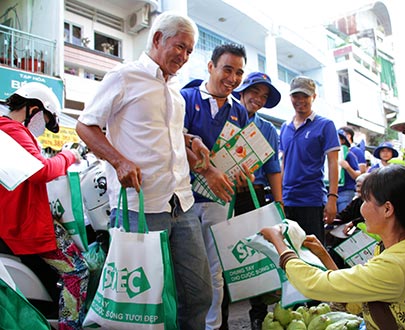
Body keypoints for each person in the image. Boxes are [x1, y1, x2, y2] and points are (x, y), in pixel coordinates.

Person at [75, 12, 213, 329]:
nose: (184, 56)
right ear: (156, 39)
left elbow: (162, 133)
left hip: (182, 202)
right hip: (140, 206)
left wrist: (191, 140)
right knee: (144, 305)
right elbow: (86, 125)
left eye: (190, 51)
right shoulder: (124, 76)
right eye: (180, 47)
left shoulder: (174, 89)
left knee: (197, 294)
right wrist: (119, 160)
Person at [261, 165, 405, 329]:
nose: (361, 208)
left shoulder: (398, 264)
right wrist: (323, 255)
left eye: (366, 200)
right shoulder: (400, 251)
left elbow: (315, 284)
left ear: (387, 209)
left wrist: (280, 242)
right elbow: (358, 301)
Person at [0, 82, 89, 329]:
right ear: (33, 109)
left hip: (15, 217)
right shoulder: (11, 130)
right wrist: (69, 156)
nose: (44, 126)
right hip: (24, 221)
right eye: (46, 118)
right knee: (77, 271)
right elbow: (41, 170)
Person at [181, 43, 250, 330]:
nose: (233, 79)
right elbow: (174, 141)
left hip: (220, 202)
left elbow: (243, 152)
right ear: (210, 67)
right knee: (184, 271)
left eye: (239, 73)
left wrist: (244, 173)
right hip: (183, 200)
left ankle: (212, 327)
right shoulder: (185, 98)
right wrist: (206, 171)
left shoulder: (240, 112)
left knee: (215, 271)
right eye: (227, 69)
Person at [225, 71, 283, 330]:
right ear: (242, 91)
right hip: (222, 193)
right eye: (254, 92)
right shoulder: (224, 115)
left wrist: (279, 205)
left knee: (257, 254)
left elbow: (273, 168)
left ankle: (258, 314)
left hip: (254, 194)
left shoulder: (268, 129)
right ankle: (220, 317)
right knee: (224, 254)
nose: (258, 99)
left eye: (264, 96)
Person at [280, 76, 340, 245]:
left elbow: (333, 163)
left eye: (305, 96)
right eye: (296, 96)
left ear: (314, 97)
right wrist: (280, 197)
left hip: (311, 200)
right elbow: (283, 163)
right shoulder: (285, 127)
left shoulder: (325, 125)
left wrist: (332, 199)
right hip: (287, 200)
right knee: (289, 250)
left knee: (313, 251)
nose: (300, 101)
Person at [324, 173, 369, 269]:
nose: (357, 189)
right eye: (357, 185)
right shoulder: (357, 201)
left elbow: (368, 217)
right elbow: (344, 216)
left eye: (360, 186)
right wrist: (329, 219)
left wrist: (353, 223)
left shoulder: (374, 202)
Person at [337, 128, 360, 212]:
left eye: (337, 138)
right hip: (329, 192)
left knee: (342, 220)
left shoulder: (348, 155)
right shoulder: (326, 155)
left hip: (345, 192)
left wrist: (347, 167)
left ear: (342, 141)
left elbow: (357, 176)